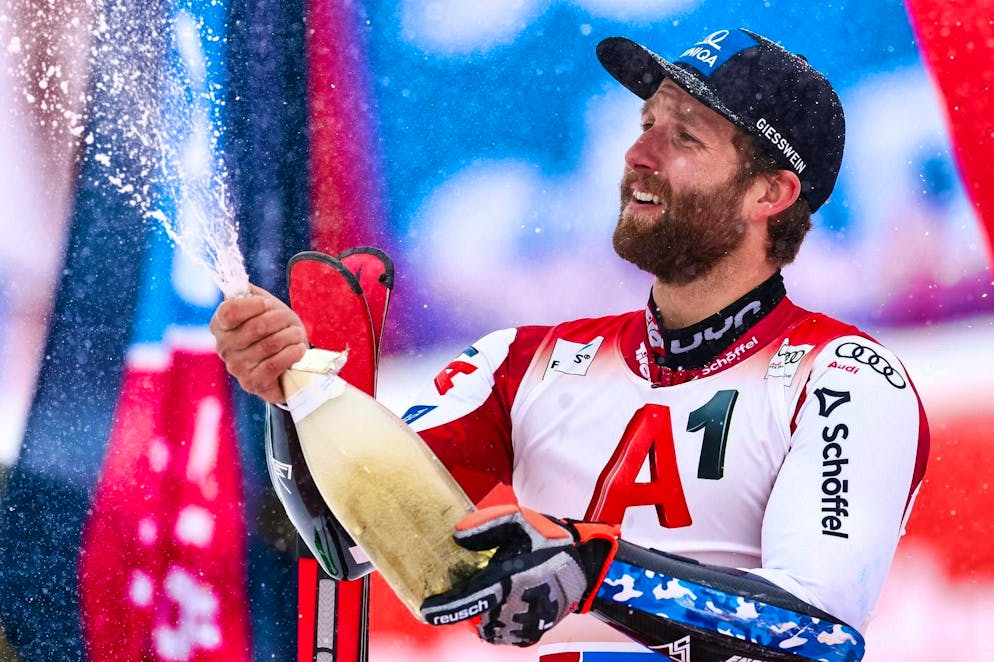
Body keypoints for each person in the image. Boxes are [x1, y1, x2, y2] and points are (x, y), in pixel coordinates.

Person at [211, 27, 928, 662]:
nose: (638, 152)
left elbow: (818, 637)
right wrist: (296, 393)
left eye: (685, 137)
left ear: (768, 194)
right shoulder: (522, 366)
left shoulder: (847, 378)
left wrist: (596, 569)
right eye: (648, 123)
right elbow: (341, 539)